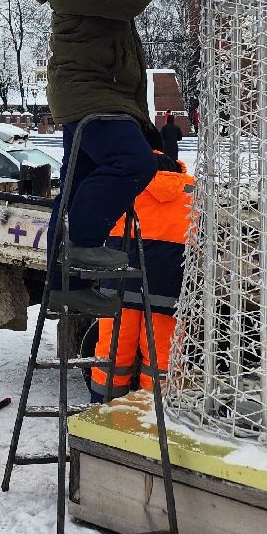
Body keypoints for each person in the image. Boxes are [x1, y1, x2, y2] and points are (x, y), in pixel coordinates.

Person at [16, 0, 173, 317]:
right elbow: (128, 0)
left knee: (75, 187)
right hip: (96, 97)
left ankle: (64, 287)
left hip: (83, 97)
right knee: (132, 161)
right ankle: (83, 243)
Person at [89, 153, 191, 402]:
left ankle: (103, 409)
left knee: (113, 353)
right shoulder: (192, 189)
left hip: (120, 282)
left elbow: (95, 218)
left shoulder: (125, 182)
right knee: (162, 357)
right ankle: (157, 412)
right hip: (170, 286)